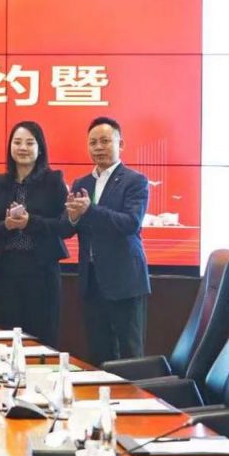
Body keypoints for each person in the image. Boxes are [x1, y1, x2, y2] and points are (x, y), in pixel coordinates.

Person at [63, 116, 150, 365]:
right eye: (93, 143)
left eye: (105, 141)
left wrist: (89, 210)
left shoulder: (135, 181)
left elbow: (130, 223)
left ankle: (131, 393)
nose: (98, 147)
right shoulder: (82, 183)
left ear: (120, 144)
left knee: (130, 355)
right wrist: (72, 217)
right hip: (92, 280)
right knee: (99, 352)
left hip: (125, 280)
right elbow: (68, 229)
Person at [0, 121, 68, 347]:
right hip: (7, 267)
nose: (23, 148)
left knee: (43, 334)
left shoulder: (54, 180)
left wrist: (31, 222)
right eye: (17, 142)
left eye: (30, 143)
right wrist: (6, 226)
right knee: (11, 333)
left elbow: (65, 226)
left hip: (42, 267)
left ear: (40, 148)